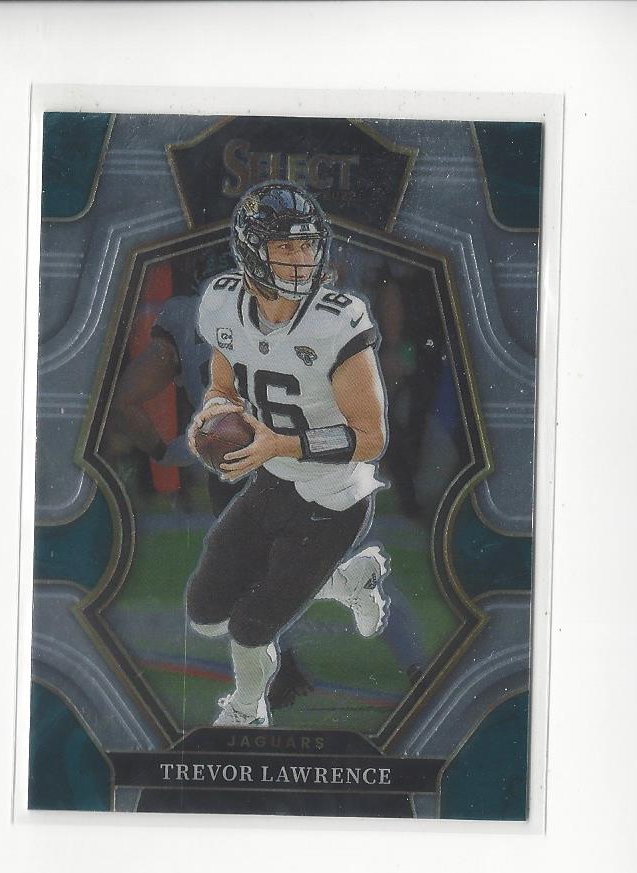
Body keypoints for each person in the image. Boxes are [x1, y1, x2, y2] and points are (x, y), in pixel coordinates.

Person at [186, 181, 390, 727]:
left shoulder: (337, 321)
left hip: (334, 498)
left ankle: (247, 708)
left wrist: (281, 444)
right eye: (285, 246)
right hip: (274, 481)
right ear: (253, 250)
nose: (301, 259)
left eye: (306, 245)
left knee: (250, 625)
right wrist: (213, 412)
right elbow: (224, 383)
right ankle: (347, 582)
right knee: (206, 614)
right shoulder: (224, 302)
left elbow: (371, 437)